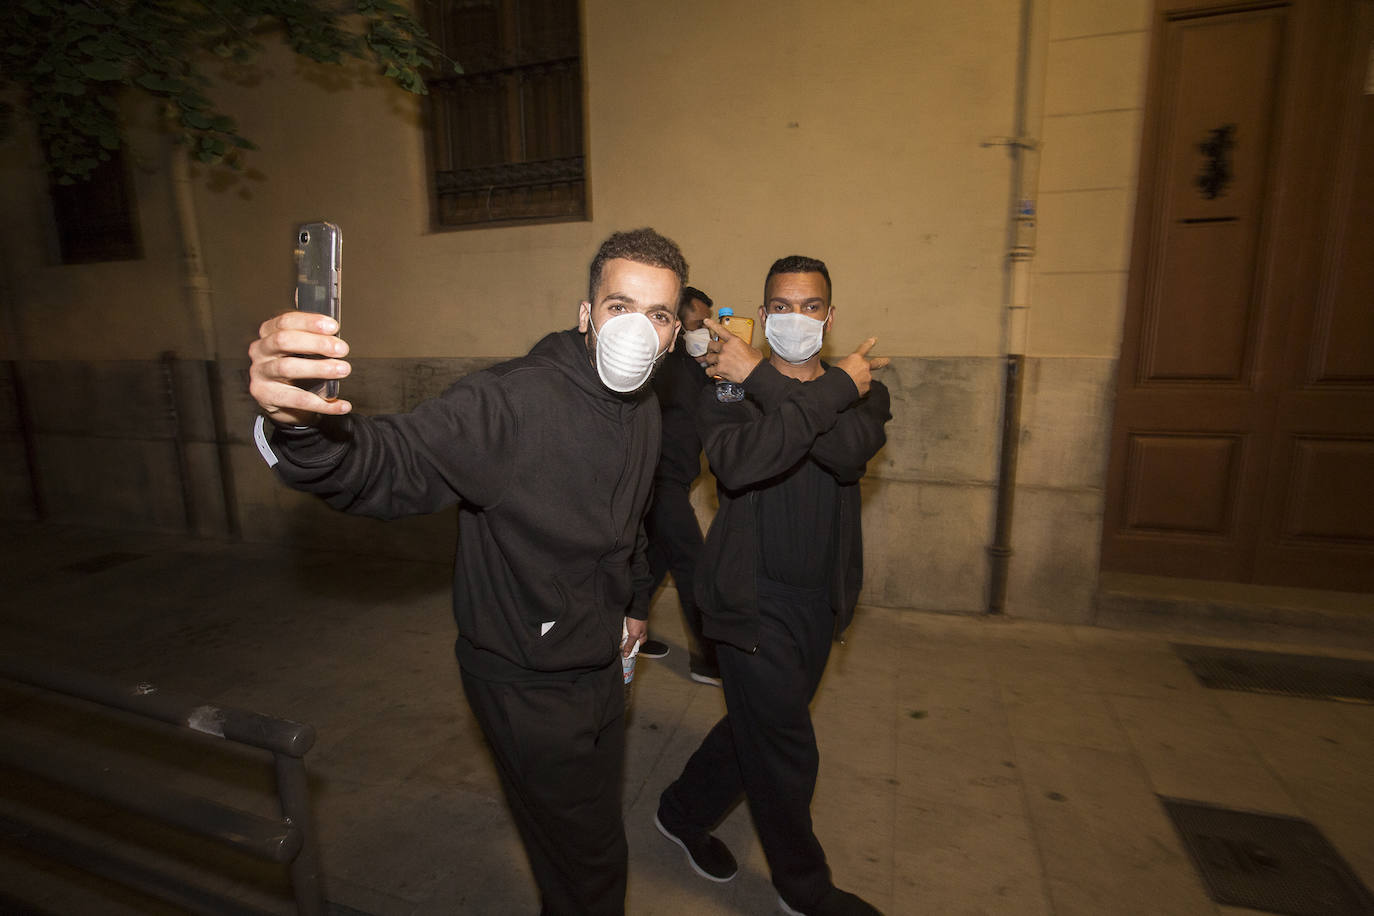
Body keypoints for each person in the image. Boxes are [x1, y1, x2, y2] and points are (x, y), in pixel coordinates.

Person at [247, 228, 688, 916]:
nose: (637, 329)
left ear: (672, 335)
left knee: (578, 832)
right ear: (585, 313)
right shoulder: (512, 403)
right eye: (618, 307)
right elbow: (389, 462)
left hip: (600, 658)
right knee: (592, 861)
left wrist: (633, 605)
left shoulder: (647, 408)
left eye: (658, 315)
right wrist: (298, 425)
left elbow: (630, 521)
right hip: (526, 677)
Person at [653, 256, 891, 916]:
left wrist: (778, 380)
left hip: (821, 600)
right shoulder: (725, 390)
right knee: (786, 743)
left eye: (810, 306)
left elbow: (844, 453)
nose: (794, 319)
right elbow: (738, 461)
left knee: (756, 728)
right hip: (748, 600)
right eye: (780, 307)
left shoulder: (864, 391)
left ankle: (679, 810)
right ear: (763, 315)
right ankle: (804, 888)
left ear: (830, 317)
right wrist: (776, 382)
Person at [636, 285, 721, 684]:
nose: (705, 329)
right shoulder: (665, 365)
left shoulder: (698, 369)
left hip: (677, 479)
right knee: (693, 563)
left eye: (709, 322)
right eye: (697, 323)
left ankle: (626, 633)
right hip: (658, 480)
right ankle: (711, 661)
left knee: (655, 560)